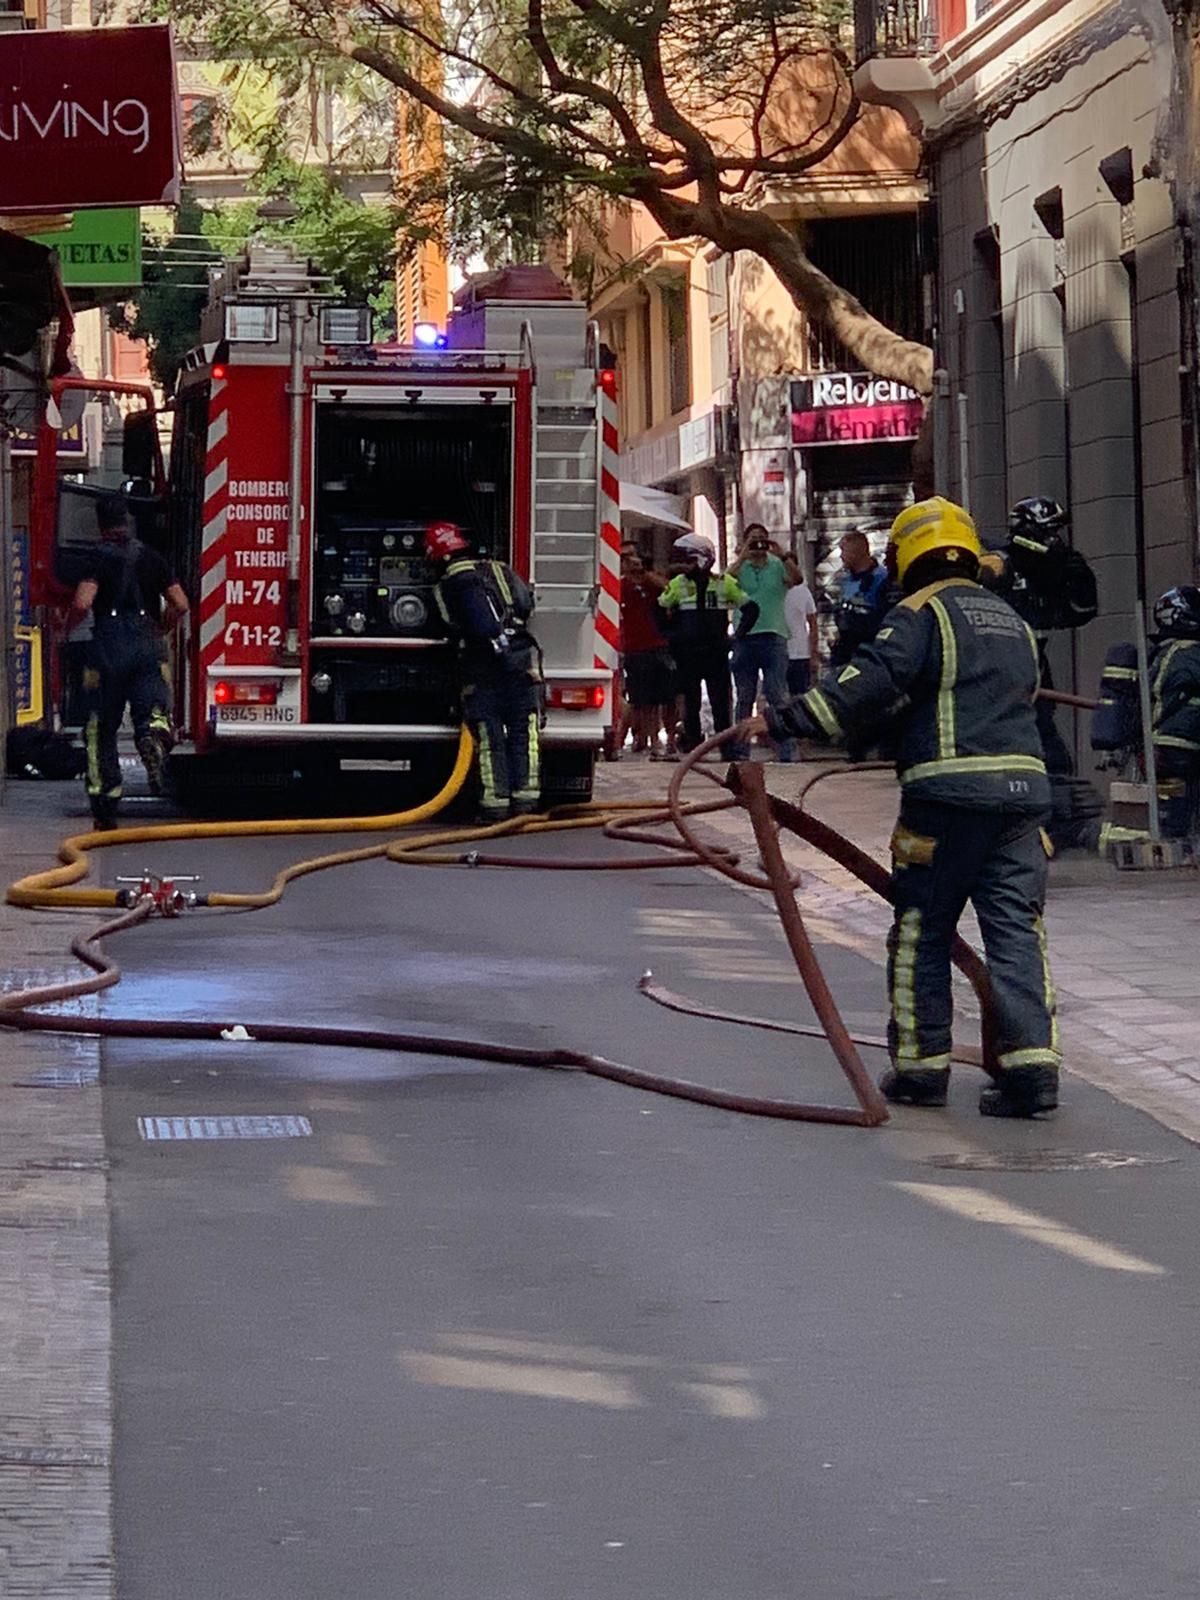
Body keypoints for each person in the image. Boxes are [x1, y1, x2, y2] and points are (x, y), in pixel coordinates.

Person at [754, 497, 1060, 1120]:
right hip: (1024, 802)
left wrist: (787, 719)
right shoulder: (1011, 620)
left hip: (946, 802)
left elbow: (869, 682)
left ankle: (921, 1070)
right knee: (1016, 935)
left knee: (922, 928)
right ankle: (1032, 1074)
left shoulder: (919, 614)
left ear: (907, 555)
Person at [979, 496, 1101, 850]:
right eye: (1049, 533)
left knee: (1052, 758)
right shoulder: (997, 565)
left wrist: (1071, 569)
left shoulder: (1049, 571)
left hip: (1032, 679)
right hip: (993, 683)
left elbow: (1082, 609)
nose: (1055, 541)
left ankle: (1055, 830)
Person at [65, 494, 188, 830]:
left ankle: (106, 798)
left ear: (101, 524)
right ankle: (152, 733)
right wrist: (160, 627)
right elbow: (179, 603)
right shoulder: (152, 557)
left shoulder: (96, 559)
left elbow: (82, 601)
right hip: (149, 645)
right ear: (128, 520)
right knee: (151, 710)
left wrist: (67, 629)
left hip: (107, 647)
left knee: (100, 727)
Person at [429, 520, 543, 821]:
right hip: (519, 661)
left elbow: (449, 625)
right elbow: (525, 602)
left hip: (480, 669)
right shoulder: (500, 570)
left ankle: (495, 806)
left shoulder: (445, 586)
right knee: (524, 732)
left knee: (489, 737)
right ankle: (527, 803)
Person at [657, 532, 757, 755]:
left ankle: (726, 747)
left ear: (703, 559)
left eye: (689, 561)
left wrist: (736, 637)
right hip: (688, 654)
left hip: (715, 652)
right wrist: (670, 635)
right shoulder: (678, 584)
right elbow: (658, 609)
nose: (683, 566)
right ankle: (694, 746)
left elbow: (751, 609)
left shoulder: (723, 583)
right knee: (690, 703)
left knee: (721, 702)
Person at [727, 524, 804, 761]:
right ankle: (740, 752)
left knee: (778, 695)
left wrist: (781, 554)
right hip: (745, 638)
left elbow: (797, 579)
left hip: (774, 635)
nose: (758, 544)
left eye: (762, 540)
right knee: (744, 697)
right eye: (753, 539)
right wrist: (743, 555)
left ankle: (787, 752)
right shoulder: (741, 568)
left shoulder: (777, 564)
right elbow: (725, 582)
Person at [1147, 584, 1200, 838]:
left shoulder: (1165, 651)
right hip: (1180, 744)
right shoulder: (1188, 651)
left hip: (1168, 746)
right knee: (1179, 816)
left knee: (1176, 815)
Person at [619, 543, 677, 760]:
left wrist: (645, 574)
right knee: (642, 701)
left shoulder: (652, 582)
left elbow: (669, 590)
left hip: (659, 645)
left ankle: (667, 740)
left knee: (666, 697)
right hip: (634, 648)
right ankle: (650, 739)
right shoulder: (621, 586)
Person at [829, 528, 891, 667]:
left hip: (869, 654)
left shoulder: (882, 580)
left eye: (843, 551)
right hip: (845, 653)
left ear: (856, 553)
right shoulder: (846, 580)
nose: (841, 556)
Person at [783, 562, 820, 698]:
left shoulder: (802, 591)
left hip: (799, 653)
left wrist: (813, 652)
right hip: (778, 652)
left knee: (799, 695)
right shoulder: (773, 591)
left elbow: (813, 623)